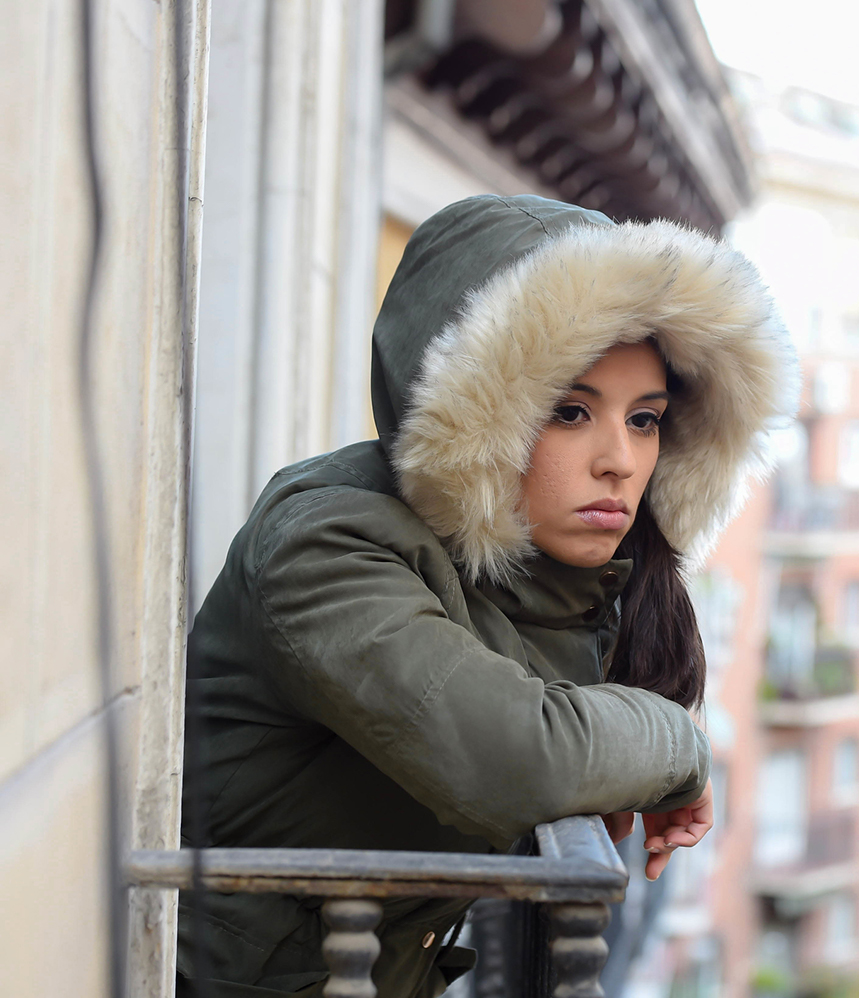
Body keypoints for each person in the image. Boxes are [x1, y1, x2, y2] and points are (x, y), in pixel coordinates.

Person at [177, 194, 799, 997]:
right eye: (571, 411)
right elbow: (520, 759)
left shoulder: (560, 582)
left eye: (644, 421)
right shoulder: (325, 546)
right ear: (478, 416)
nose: (621, 461)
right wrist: (676, 746)